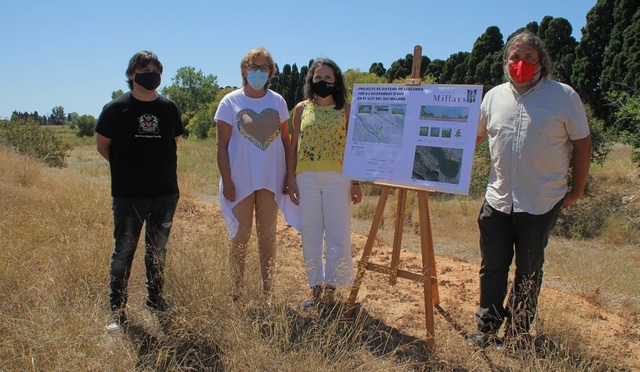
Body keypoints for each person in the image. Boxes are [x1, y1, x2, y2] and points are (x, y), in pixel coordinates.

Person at [467, 31, 592, 348]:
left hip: (540, 202)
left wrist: (576, 191)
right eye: (514, 57)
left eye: (528, 58)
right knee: (492, 267)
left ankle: (518, 334)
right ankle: (486, 328)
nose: (520, 64)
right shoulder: (493, 97)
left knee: (529, 272)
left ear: (541, 63)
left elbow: (582, 144)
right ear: (506, 61)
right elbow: (476, 138)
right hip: (497, 199)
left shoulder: (563, 96)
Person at [96, 50, 184, 331]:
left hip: (165, 193)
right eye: (144, 70)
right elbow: (103, 145)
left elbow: (173, 142)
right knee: (123, 251)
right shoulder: (115, 108)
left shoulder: (169, 108)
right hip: (128, 194)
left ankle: (155, 301)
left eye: (155, 69)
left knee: (157, 251)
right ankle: (117, 311)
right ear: (132, 74)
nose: (151, 74)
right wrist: (127, 169)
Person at [215, 47, 299, 300]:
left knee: (268, 237)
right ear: (244, 70)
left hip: (270, 181)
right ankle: (236, 292)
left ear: (271, 72)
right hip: (239, 182)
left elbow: (287, 142)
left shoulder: (278, 102)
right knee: (239, 237)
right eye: (254, 67)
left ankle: (267, 293)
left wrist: (289, 176)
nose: (258, 72)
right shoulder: (230, 102)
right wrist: (228, 181)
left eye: (264, 68)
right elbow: (221, 145)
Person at [286, 58, 362, 307]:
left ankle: (332, 289)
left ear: (336, 81)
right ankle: (314, 288)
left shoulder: (347, 109)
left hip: (338, 179)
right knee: (310, 234)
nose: (323, 82)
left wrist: (355, 181)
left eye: (328, 78)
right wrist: (290, 178)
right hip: (305, 179)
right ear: (311, 80)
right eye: (318, 78)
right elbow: (293, 145)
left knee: (338, 235)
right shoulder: (300, 109)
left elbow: (355, 148)